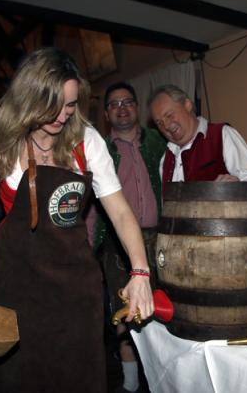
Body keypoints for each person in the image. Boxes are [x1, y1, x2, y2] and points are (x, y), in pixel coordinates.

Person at [0, 47, 153, 393]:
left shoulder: (86, 140)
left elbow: (120, 212)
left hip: (76, 290)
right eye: (52, 105)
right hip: (16, 287)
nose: (62, 116)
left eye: (70, 105)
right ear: (28, 97)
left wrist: (140, 271)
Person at [88, 82, 166, 393]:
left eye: (128, 102)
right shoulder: (99, 151)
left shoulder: (159, 143)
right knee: (124, 312)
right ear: (107, 114)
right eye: (114, 104)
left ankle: (163, 378)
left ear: (137, 107)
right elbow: (90, 209)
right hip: (117, 246)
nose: (122, 108)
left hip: (162, 240)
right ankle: (131, 384)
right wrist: (88, 249)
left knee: (163, 309)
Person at [148, 84, 247, 183]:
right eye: (159, 123)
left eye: (169, 115)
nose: (166, 126)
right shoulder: (166, 159)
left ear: (187, 105)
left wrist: (237, 187)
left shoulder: (221, 135)